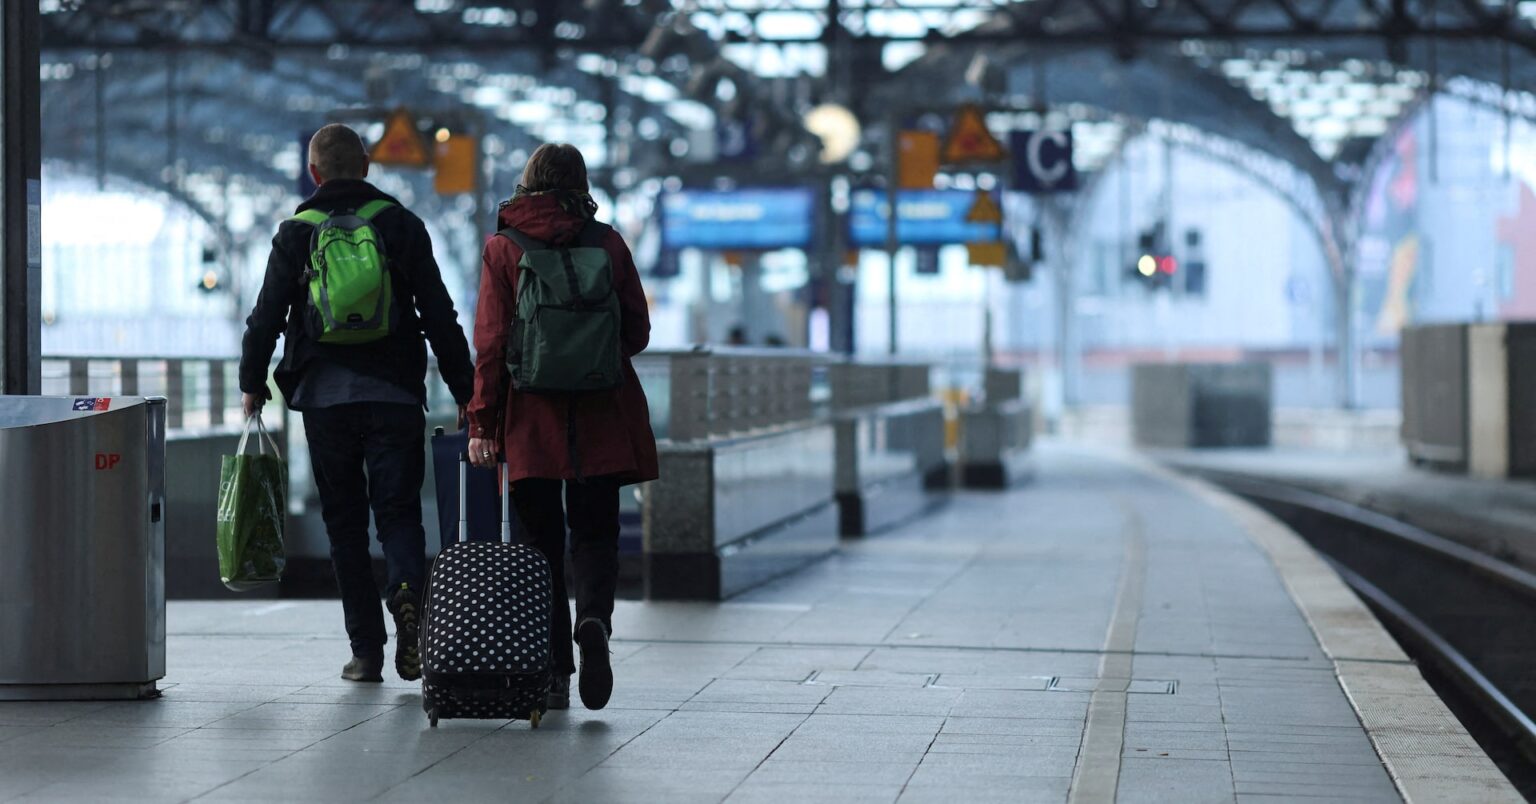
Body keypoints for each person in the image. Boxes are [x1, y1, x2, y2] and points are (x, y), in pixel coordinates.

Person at [238, 123, 475, 684]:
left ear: (315, 171)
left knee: (344, 524)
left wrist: (253, 382)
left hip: (324, 398)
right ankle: (407, 589)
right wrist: (467, 391)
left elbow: (265, 317)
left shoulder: (296, 232)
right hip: (393, 393)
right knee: (398, 512)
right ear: (366, 167)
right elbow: (440, 315)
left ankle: (366, 652)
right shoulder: (401, 225)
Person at [467, 143, 658, 712]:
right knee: (596, 532)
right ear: (581, 184)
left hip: (530, 420)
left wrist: (481, 421)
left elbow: (492, 343)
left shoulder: (504, 247)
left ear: (527, 183)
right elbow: (638, 331)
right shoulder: (609, 243)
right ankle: (594, 619)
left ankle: (553, 670)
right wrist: (593, 356)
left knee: (539, 544)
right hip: (602, 412)